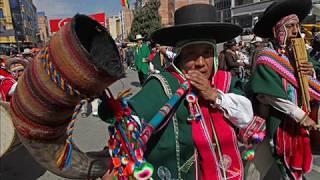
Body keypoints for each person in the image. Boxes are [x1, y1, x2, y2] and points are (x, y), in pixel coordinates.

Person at [99, 4, 260, 180]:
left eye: (206, 53)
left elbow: (246, 117)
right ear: (180, 56)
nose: (200, 62)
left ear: (214, 55)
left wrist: (215, 95)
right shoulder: (164, 83)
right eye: (191, 54)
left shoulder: (225, 81)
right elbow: (135, 116)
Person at [246, 0, 320, 179]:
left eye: (297, 25)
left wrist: (312, 74)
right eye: (290, 26)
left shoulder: (301, 54)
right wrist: (300, 116)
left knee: (295, 165)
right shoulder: (267, 56)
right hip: (276, 121)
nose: (296, 30)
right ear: (276, 30)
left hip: (299, 122)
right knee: (255, 171)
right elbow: (267, 95)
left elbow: (311, 87)